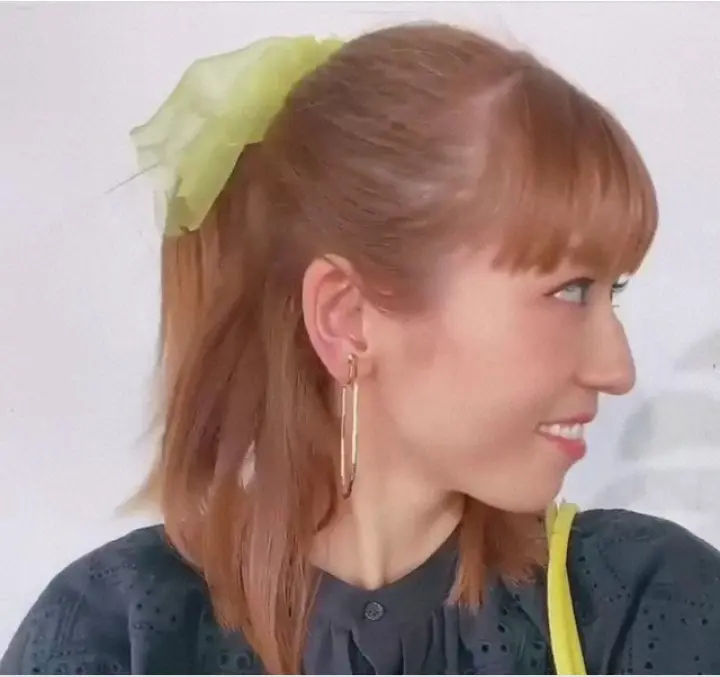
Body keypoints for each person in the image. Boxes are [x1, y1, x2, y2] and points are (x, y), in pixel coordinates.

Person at [3, 22, 720, 676]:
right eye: (570, 291)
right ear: (348, 316)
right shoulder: (112, 637)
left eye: (612, 291)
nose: (618, 369)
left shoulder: (648, 606)